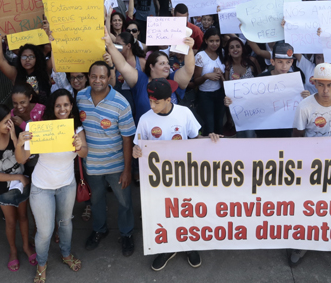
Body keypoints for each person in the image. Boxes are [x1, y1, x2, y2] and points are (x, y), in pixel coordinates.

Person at [132, 79, 221, 271]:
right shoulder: (145, 119)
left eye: (156, 102)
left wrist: (211, 138)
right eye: (150, 100)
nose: (151, 105)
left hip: (184, 175)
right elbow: (138, 146)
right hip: (159, 180)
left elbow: (196, 139)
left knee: (187, 211)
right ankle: (167, 247)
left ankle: (190, 245)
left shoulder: (184, 113)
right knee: (164, 213)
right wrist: (136, 152)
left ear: (168, 99)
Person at [289, 63, 331, 266]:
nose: (325, 90)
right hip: (311, 163)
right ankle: (302, 243)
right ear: (313, 83)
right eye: (321, 85)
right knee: (309, 204)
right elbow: (297, 136)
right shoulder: (305, 106)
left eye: (330, 85)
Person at [17, 89, 86, 282]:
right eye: (58, 105)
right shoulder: (39, 128)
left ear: (71, 106)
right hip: (42, 187)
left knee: (65, 223)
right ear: (52, 108)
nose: (62, 108)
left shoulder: (76, 129)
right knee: (45, 231)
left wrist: (79, 146)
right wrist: (19, 144)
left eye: (66, 105)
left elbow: (84, 153)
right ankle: (41, 264)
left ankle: (65, 254)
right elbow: (22, 158)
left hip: (67, 185)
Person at [77, 61, 136, 256]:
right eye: (94, 76)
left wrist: (127, 170)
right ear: (88, 77)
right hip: (91, 165)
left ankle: (127, 234)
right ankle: (99, 230)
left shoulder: (121, 103)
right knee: (96, 201)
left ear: (109, 78)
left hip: (116, 166)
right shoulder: (80, 97)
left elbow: (128, 139)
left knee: (125, 202)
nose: (98, 80)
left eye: (102, 76)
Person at [0, 105, 33, 272]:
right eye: (5, 122)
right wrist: (18, 177)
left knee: (23, 217)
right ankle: (13, 251)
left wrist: (15, 138)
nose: (9, 124)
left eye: (10, 120)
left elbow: (22, 160)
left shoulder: (14, 133)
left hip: (21, 187)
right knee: (10, 222)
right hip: (4, 190)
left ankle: (26, 246)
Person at [105, 33, 196, 125]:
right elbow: (123, 65)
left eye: (168, 63)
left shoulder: (174, 80)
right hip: (146, 134)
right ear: (151, 66)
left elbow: (189, 69)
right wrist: (109, 44)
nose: (167, 66)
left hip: (172, 133)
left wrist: (189, 49)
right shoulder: (140, 80)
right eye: (162, 63)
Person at [0, 29, 54, 106]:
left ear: (37, 58)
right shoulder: (15, 74)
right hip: (22, 116)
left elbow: (55, 54)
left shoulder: (45, 70)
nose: (27, 60)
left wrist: (52, 40)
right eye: (24, 57)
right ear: (19, 59)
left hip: (45, 115)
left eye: (31, 56)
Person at [192, 27, 225, 136]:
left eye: (217, 41)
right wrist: (206, 76)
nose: (214, 44)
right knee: (209, 127)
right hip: (205, 96)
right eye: (211, 41)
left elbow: (226, 76)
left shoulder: (222, 53)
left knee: (219, 125)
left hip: (220, 93)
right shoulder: (200, 56)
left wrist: (220, 75)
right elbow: (196, 81)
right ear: (206, 41)